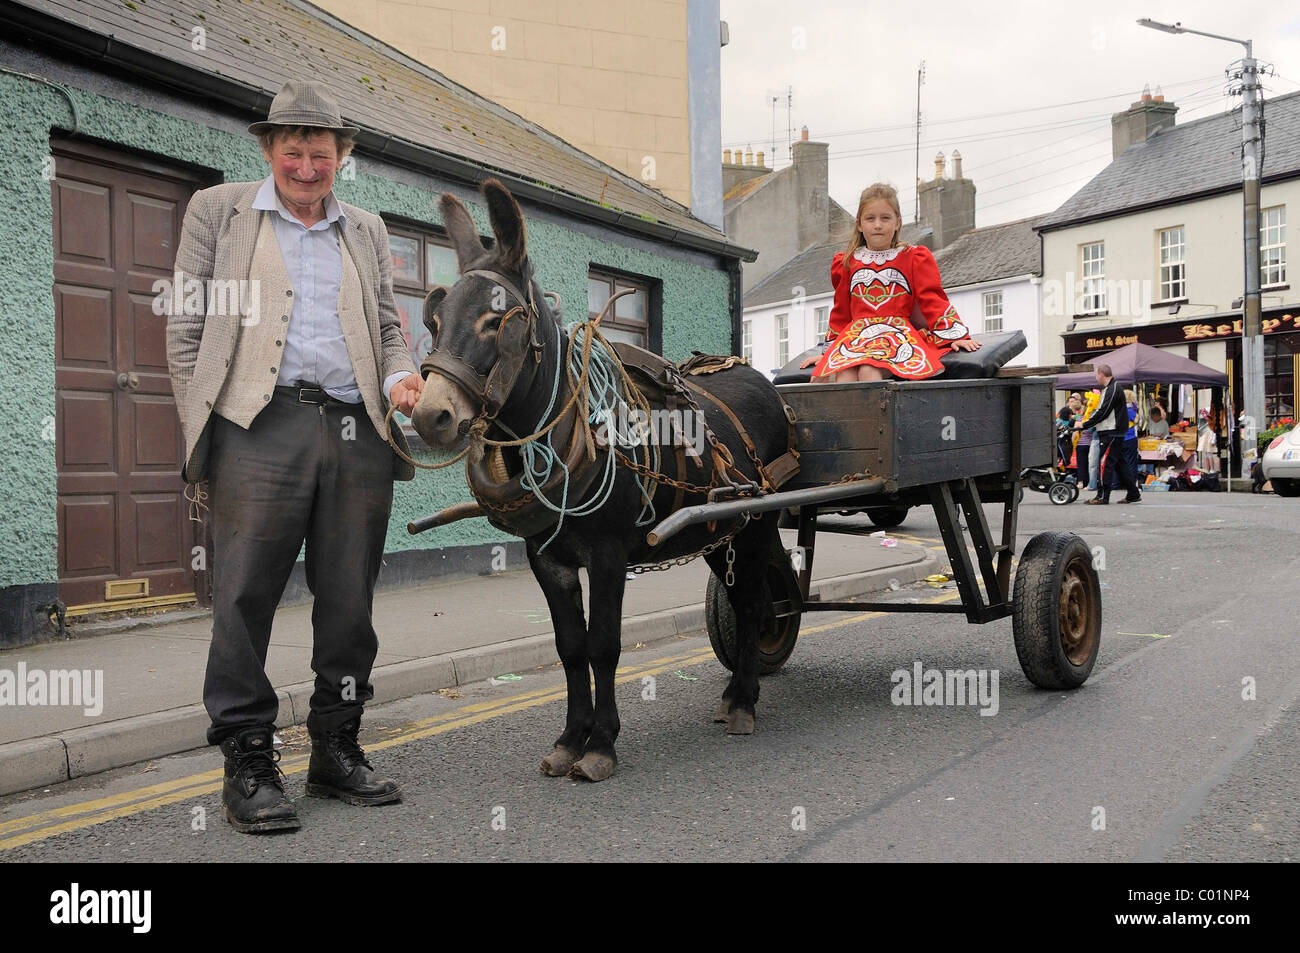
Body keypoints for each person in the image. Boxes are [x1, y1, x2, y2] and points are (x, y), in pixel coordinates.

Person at [166, 80, 424, 833]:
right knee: (243, 599)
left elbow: (385, 324)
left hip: (356, 430)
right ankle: (248, 761)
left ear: (341, 158)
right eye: (291, 152)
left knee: (350, 603)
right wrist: (202, 428)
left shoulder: (367, 230)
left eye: (319, 153)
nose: (305, 167)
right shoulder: (217, 212)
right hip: (258, 423)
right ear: (268, 150)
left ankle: (336, 749)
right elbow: (185, 330)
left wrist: (401, 374)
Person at [799, 183, 980, 382]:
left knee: (869, 371)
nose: (878, 225)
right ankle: (850, 415)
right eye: (870, 218)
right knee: (845, 374)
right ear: (859, 224)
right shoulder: (847, 262)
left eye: (885, 218)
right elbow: (841, 313)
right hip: (856, 338)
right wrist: (828, 352)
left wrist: (956, 337)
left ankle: (876, 414)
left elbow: (933, 300)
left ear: (897, 222)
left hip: (895, 336)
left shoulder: (913, 257)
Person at [1076, 364, 1142, 504]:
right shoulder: (1112, 388)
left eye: (1096, 375)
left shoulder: (1112, 388)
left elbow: (1103, 411)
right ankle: (1133, 493)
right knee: (1119, 463)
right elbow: (1104, 411)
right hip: (1114, 431)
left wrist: (1084, 424)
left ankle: (1102, 496)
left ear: (1101, 374)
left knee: (1104, 463)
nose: (1096, 378)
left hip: (1111, 431)